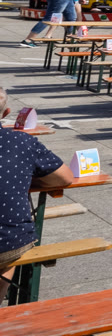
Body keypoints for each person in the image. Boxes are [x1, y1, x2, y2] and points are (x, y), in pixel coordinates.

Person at [0, 87, 74, 290]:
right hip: (11, 241)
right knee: (8, 255)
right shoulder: (22, 141)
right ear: (7, 113)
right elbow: (65, 178)